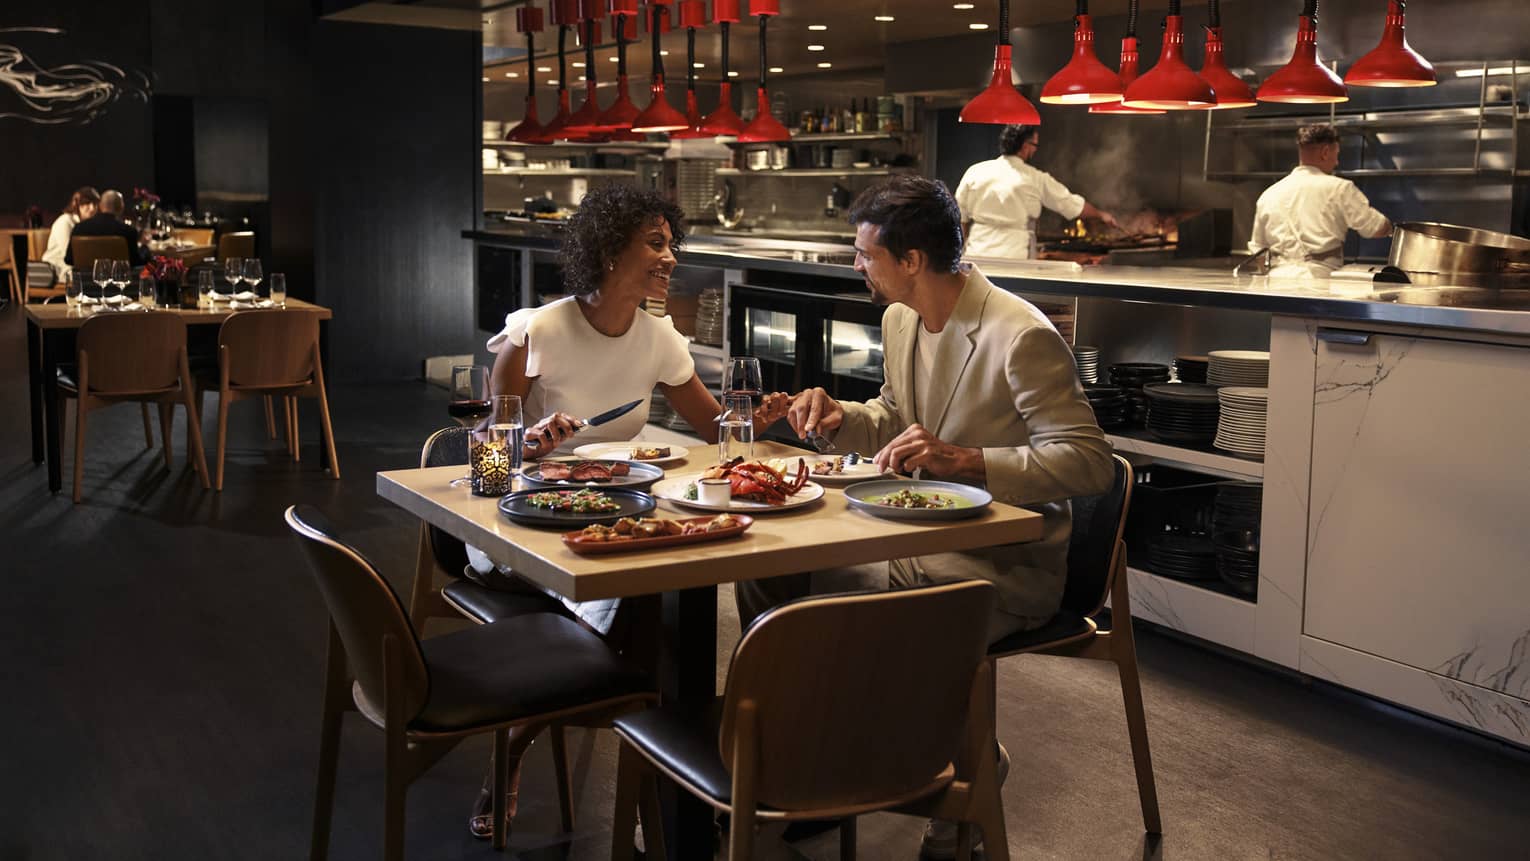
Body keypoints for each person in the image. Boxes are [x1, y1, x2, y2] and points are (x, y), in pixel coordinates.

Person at [736, 175, 1114, 859]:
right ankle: (812, 767)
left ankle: (958, 768)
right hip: (917, 529)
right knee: (772, 579)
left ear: (910, 260)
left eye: (865, 254)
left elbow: (1089, 462)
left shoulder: (1019, 334)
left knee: (841, 600)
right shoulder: (901, 317)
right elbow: (894, 416)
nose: (858, 266)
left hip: (1005, 559)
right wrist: (836, 417)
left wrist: (968, 460)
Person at [463, 182, 787, 840]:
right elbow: (484, 466)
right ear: (610, 251)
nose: (671, 257)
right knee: (641, 613)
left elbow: (717, 426)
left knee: (654, 606)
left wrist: (753, 418)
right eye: (656, 243)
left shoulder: (658, 335)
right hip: (529, 523)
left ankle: (664, 790)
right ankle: (635, 780)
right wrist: (526, 441)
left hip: (625, 514)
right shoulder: (538, 332)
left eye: (673, 243)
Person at [1250, 122, 1392, 280]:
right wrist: (1390, 228)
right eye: (1336, 154)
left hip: (1276, 281)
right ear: (1325, 152)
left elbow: (1258, 250)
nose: (1337, 162)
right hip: (1320, 280)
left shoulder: (1269, 194)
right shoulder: (1339, 188)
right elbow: (1375, 228)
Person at [955, 124, 1119, 260]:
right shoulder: (1034, 178)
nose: (1035, 150)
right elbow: (1070, 204)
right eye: (1035, 145)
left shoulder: (975, 171)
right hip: (1015, 258)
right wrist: (1101, 215)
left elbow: (959, 219)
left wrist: (959, 254)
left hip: (977, 256)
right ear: (1025, 146)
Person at [64, 189, 148, 267]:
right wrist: (144, 247)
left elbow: (69, 260)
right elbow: (136, 263)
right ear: (121, 207)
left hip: (85, 282)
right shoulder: (129, 232)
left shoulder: (79, 228)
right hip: (120, 282)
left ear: (100, 206)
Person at [41, 187, 99, 281]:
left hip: (72, 267)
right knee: (91, 277)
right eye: (87, 203)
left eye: (95, 204)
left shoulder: (87, 224)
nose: (92, 208)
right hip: (56, 268)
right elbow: (68, 255)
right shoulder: (65, 221)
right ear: (76, 205)